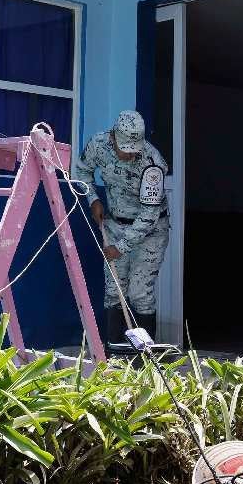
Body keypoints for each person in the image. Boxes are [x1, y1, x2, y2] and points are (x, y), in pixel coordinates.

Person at [73, 110, 169, 343]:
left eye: (133, 149)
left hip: (151, 232)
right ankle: (114, 354)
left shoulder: (152, 164)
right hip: (114, 224)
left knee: (139, 294)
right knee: (114, 292)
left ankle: (144, 359)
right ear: (114, 137)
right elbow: (82, 171)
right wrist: (93, 198)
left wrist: (121, 247)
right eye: (123, 149)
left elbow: (149, 215)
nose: (128, 155)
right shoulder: (99, 144)